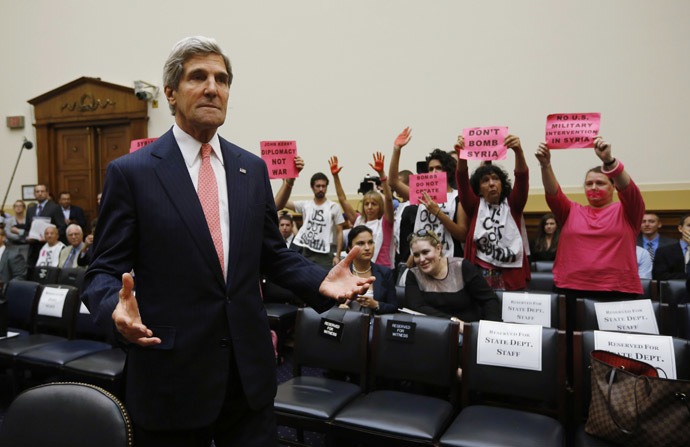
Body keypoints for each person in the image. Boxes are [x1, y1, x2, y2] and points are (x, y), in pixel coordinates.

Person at [82, 36, 373, 447]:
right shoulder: (132, 173)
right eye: (198, 77)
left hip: (248, 374)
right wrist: (116, 310)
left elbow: (271, 253)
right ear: (170, 92)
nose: (212, 88)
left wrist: (319, 281)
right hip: (172, 374)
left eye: (221, 79)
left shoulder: (250, 169)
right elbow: (102, 272)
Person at [535, 137, 644, 298]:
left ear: (614, 186)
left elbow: (628, 188)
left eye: (600, 183)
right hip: (571, 288)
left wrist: (609, 161)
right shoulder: (571, 210)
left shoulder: (628, 211)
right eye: (589, 183)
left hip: (618, 290)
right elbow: (553, 193)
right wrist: (545, 165)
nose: (593, 187)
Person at [455, 134, 530, 290]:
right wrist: (462, 156)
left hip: (510, 274)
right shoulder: (474, 205)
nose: (491, 184)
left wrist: (518, 151)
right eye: (485, 180)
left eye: (495, 179)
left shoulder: (513, 204)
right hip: (480, 272)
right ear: (478, 189)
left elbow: (522, 178)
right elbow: (462, 180)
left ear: (502, 184)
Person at [405, 229, 500, 329]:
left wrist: (489, 330)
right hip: (432, 331)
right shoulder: (413, 274)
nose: (422, 259)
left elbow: (488, 300)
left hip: (469, 329)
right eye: (416, 255)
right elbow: (416, 307)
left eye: (425, 252)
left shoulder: (461, 267)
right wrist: (453, 322)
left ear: (438, 249)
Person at [329, 153, 395, 267]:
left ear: (380, 206)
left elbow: (389, 200)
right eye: (366, 204)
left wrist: (382, 175)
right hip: (359, 268)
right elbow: (342, 200)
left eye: (374, 204)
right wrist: (335, 177)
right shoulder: (358, 220)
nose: (369, 207)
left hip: (382, 269)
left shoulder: (385, 222)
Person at [279, 172, 345, 269]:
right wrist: (285, 184)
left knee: (324, 280)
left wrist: (338, 255)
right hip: (307, 251)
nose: (321, 189)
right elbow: (283, 202)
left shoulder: (334, 207)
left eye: (323, 186)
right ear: (312, 187)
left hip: (325, 253)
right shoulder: (306, 205)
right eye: (318, 186)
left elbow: (340, 232)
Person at [338, 225, 397, 314]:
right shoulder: (340, 272)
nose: (367, 248)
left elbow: (394, 307)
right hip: (345, 323)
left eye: (370, 242)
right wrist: (339, 309)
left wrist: (376, 305)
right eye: (361, 243)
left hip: (375, 324)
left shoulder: (385, 272)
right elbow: (327, 304)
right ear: (350, 248)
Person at [24, 184, 66, 264]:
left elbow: (62, 228)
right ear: (34, 194)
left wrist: (50, 237)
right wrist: (27, 237)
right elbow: (26, 229)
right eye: (37, 191)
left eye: (42, 191)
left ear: (47, 193)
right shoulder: (30, 210)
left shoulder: (55, 208)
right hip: (33, 249)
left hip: (50, 248)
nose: (40, 193)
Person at [653, 213, 690, 280]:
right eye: (689, 225)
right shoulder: (663, 251)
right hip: (675, 289)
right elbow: (660, 276)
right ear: (680, 228)